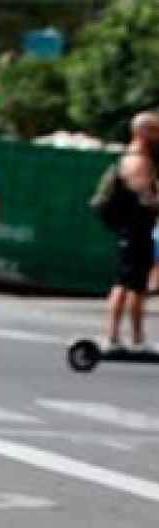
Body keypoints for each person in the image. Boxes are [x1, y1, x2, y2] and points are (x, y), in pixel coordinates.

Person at [99, 112, 159, 350]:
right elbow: (145, 197)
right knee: (124, 284)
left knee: (137, 286)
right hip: (132, 231)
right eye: (154, 130)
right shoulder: (136, 160)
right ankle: (112, 337)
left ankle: (137, 338)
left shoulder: (145, 158)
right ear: (141, 132)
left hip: (140, 230)